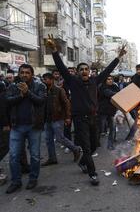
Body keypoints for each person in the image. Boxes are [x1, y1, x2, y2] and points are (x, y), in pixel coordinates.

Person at [46, 34, 126, 186]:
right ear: (77, 72)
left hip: (93, 118)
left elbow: (108, 70)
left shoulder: (95, 81)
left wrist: (118, 57)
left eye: (86, 69)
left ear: (89, 71)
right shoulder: (72, 81)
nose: (84, 71)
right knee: (87, 148)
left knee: (95, 144)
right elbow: (61, 67)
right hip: (80, 119)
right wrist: (54, 50)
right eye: (81, 69)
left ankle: (83, 162)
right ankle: (93, 173)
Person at [5, 64, 46, 194]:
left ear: (32, 74)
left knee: (35, 155)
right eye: (22, 72)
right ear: (19, 74)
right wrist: (21, 95)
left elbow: (40, 101)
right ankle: (16, 181)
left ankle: (33, 178)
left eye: (27, 72)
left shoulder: (40, 86)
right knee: (14, 156)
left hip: (34, 126)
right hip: (17, 126)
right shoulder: (12, 86)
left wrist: (27, 92)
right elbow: (8, 101)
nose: (24, 75)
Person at [42, 73, 82, 166]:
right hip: (47, 119)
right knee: (48, 140)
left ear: (51, 80)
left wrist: (67, 117)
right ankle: (52, 158)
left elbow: (66, 104)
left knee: (60, 138)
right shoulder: (44, 91)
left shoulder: (59, 90)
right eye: (43, 79)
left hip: (57, 118)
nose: (44, 81)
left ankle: (75, 149)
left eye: (46, 79)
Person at [98, 76, 120, 150]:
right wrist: (118, 94)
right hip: (103, 111)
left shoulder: (115, 86)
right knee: (100, 128)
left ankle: (110, 144)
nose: (110, 81)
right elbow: (109, 93)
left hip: (112, 111)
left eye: (111, 79)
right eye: (108, 79)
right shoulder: (102, 87)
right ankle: (95, 143)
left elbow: (119, 93)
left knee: (112, 128)